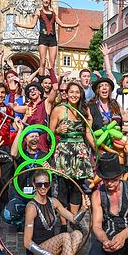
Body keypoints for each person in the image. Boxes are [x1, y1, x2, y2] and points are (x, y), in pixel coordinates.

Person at [23, 171, 104, 255]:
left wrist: (84, 209)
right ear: (34, 185)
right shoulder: (31, 207)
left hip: (54, 247)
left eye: (46, 184)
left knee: (78, 234)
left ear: (50, 185)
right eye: (39, 184)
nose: (43, 187)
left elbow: (73, 219)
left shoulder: (53, 202)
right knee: (65, 236)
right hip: (38, 254)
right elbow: (27, 242)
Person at [48, 82, 94, 215]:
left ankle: (73, 219)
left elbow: (88, 133)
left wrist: (97, 149)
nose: (74, 95)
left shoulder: (84, 109)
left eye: (77, 92)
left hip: (79, 151)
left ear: (81, 95)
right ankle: (63, 223)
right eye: (71, 92)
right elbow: (49, 134)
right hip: (64, 151)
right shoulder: (58, 109)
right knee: (62, 188)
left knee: (77, 188)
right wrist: (58, 130)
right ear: (66, 94)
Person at [15, 0, 79, 75]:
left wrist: (74, 25)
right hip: (43, 38)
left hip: (52, 38)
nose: (46, 0)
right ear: (42, 1)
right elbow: (32, 25)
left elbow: (62, 24)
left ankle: (51, 79)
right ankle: (41, 79)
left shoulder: (53, 13)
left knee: (52, 63)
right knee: (43, 62)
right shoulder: (39, 12)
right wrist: (19, 24)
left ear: (50, 2)